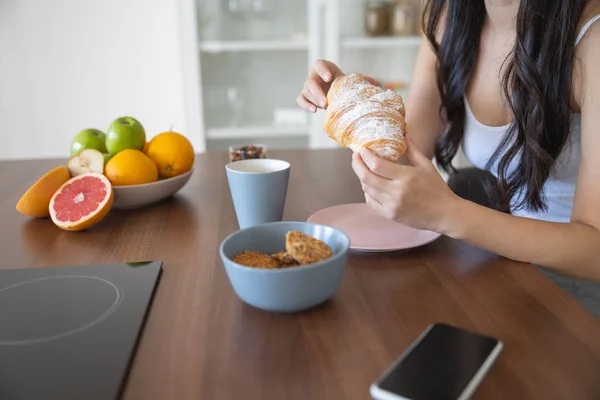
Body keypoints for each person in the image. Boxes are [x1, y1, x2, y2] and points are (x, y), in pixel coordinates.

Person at [298, 0, 600, 317]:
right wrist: (356, 107)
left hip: (579, 299)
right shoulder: (451, 18)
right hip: (510, 269)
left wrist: (450, 214)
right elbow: (404, 156)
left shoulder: (591, 41)